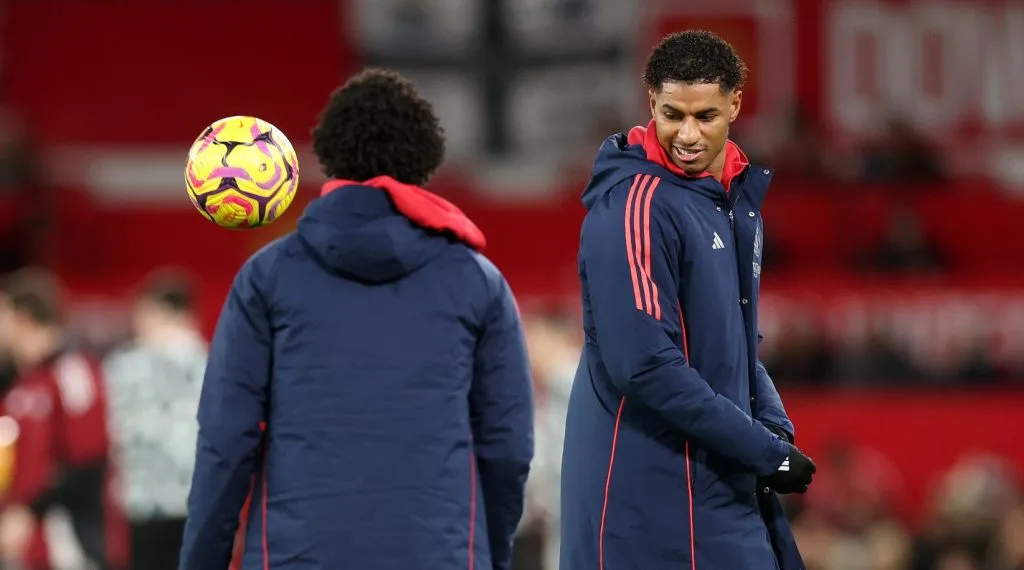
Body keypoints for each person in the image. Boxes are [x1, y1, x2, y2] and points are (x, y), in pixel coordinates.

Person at [180, 68, 535, 570]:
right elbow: (508, 448)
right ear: (425, 159)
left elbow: (225, 438)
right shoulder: (479, 283)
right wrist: (491, 555)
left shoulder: (266, 278)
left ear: (330, 158)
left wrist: (201, 561)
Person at [559, 30, 817, 570]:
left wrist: (772, 424)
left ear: (736, 104)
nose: (688, 135)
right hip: (645, 501)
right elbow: (645, 365)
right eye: (673, 114)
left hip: (717, 484)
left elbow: (737, 340)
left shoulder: (733, 202)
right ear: (651, 101)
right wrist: (764, 450)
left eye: (706, 116)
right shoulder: (635, 204)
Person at [0, 268, 129, 570]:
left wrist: (30, 512)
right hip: (25, 547)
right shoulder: (21, 383)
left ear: (24, 318)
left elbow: (88, 460)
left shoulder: (72, 373)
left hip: (68, 545)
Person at [103, 270, 206, 570]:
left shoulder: (126, 365)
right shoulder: (211, 362)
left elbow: (113, 429)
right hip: (198, 498)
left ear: (157, 311)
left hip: (143, 499)